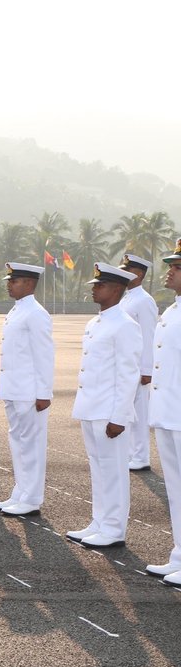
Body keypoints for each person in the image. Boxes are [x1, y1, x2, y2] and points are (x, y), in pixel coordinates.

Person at [65, 263, 140, 548]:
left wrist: (119, 416)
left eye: (100, 285)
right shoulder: (95, 323)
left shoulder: (125, 325)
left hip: (110, 411)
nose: (94, 289)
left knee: (114, 471)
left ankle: (114, 528)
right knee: (98, 469)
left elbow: (128, 374)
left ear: (117, 289)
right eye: (94, 285)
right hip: (92, 407)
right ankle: (99, 521)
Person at [0, 263, 55, 518]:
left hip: (30, 392)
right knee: (18, 443)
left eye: (14, 280)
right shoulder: (17, 310)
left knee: (31, 446)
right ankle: (20, 491)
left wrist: (44, 393)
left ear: (29, 284)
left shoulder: (36, 313)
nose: (9, 284)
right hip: (14, 389)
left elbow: (44, 355)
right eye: (9, 280)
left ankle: (31, 498)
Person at [150, 244, 181, 583]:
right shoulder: (171, 311)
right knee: (176, 489)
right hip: (169, 412)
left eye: (177, 267)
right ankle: (178, 554)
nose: (170, 271)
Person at [118, 253, 158, 471]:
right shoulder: (127, 297)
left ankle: (141, 456)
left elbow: (148, 335)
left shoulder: (144, 300)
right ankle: (132, 452)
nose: (123, 272)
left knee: (140, 413)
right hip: (127, 365)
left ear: (139, 274)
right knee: (127, 412)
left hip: (138, 367)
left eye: (128, 269)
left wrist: (146, 369)